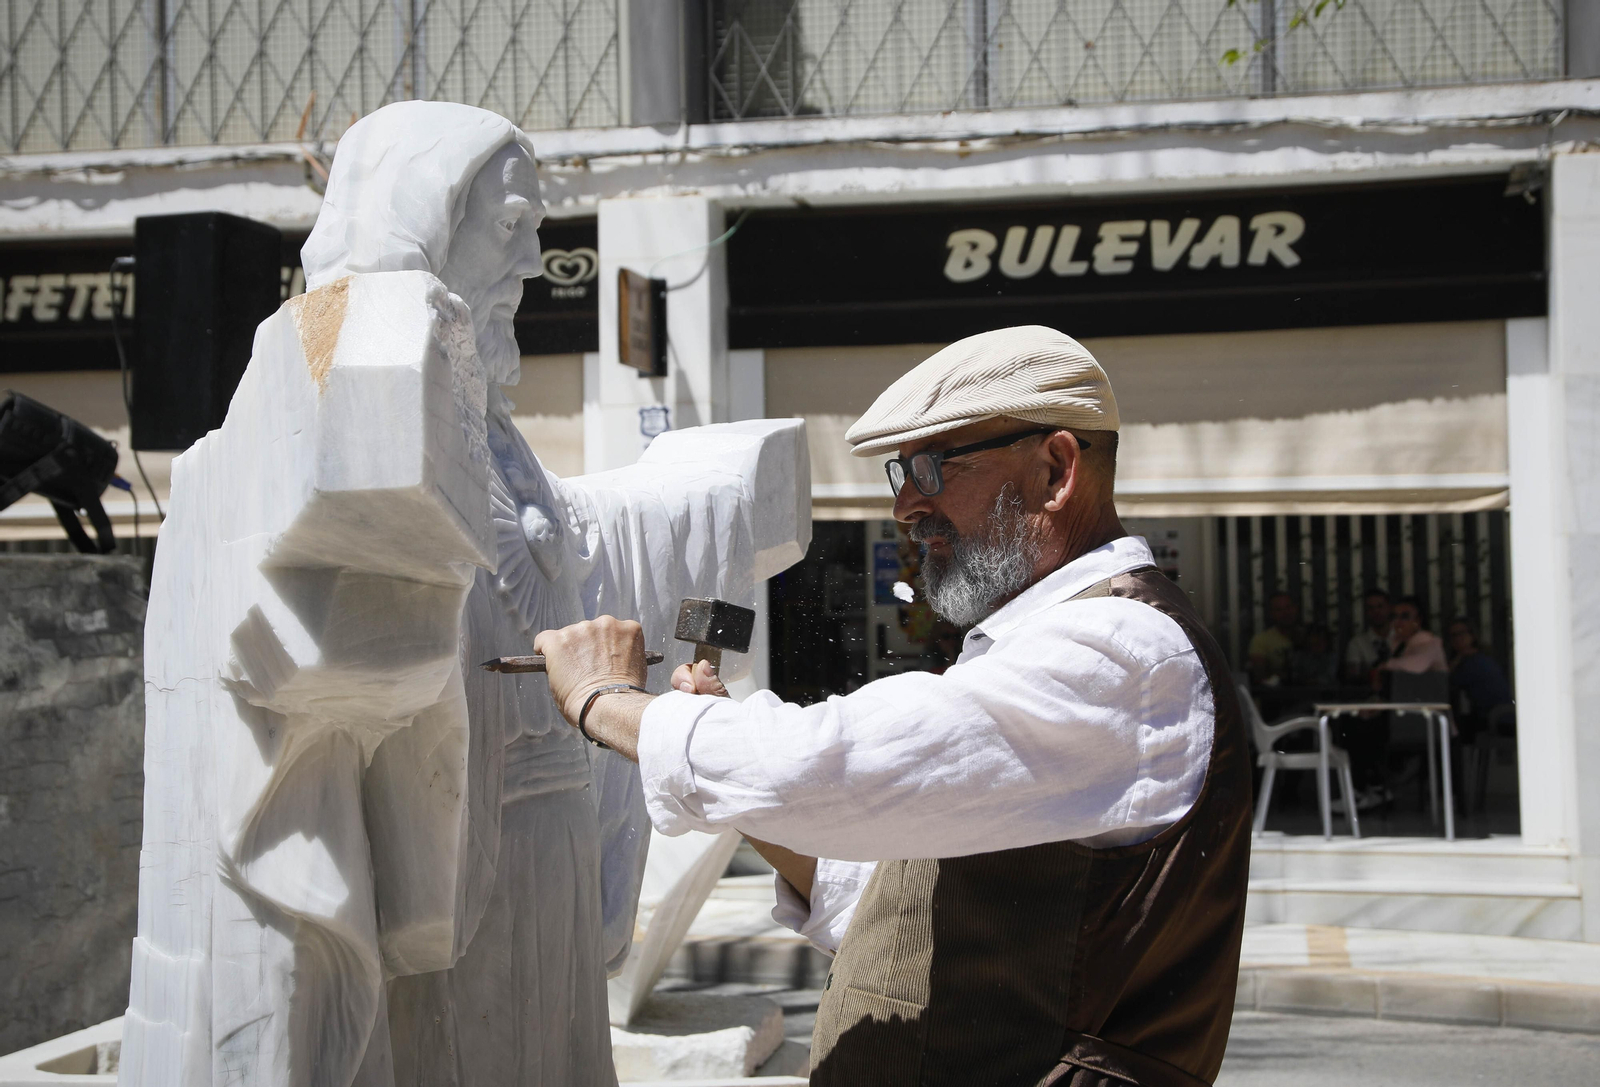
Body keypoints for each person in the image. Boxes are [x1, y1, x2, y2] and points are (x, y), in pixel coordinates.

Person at [533, 326, 1252, 1087]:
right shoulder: (1049, 642)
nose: (908, 506)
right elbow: (890, 910)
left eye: (933, 466)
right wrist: (751, 790)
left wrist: (604, 698)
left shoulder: (1122, 649)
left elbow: (831, 767)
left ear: (1056, 469)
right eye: (899, 473)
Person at [1447, 616, 1513, 742]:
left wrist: (1457, 659)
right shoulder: (1477, 657)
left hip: (1497, 717)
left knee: (1450, 730)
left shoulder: (1476, 661)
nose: (1457, 639)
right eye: (1453, 635)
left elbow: (1447, 682)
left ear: (1472, 635)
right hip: (1494, 715)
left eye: (1461, 633)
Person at [1377, 596, 1448, 680]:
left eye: (1405, 617)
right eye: (1395, 616)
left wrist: (1386, 665)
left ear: (1417, 621)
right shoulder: (1400, 644)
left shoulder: (1431, 643)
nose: (1397, 622)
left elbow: (1417, 665)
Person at [1248, 591, 1300, 687]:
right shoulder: (1261, 640)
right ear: (1271, 613)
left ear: (1296, 609)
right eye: (1279, 609)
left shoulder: (1309, 637)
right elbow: (1260, 676)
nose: (1285, 613)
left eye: (1288, 607)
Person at [1344, 588, 1394, 685]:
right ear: (1366, 612)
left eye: (1380, 606)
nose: (1376, 612)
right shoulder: (1357, 643)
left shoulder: (1404, 640)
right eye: (1371, 608)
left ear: (1389, 608)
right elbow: (1353, 678)